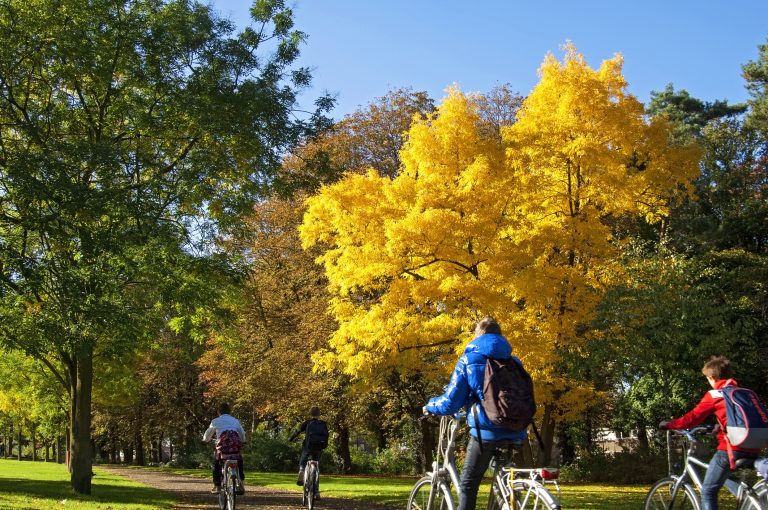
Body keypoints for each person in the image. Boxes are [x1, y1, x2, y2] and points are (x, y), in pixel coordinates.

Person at [423, 317, 528, 510]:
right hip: (517, 430)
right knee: (503, 482)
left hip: (486, 431)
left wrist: (430, 406)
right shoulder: (514, 361)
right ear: (501, 336)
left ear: (477, 336)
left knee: (468, 485)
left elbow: (451, 402)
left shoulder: (470, 360)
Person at [659, 356, 761, 510]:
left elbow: (692, 418)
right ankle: (749, 500)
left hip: (731, 450)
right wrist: (719, 427)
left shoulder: (715, 395)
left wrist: (669, 424)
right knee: (722, 476)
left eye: (707, 378)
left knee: (708, 491)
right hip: (755, 444)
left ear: (712, 377)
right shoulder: (745, 393)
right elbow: (739, 419)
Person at [202, 402, 246, 494]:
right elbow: (242, 434)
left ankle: (217, 486)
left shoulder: (215, 421)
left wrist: (206, 440)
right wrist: (242, 440)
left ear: (219, 412)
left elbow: (207, 436)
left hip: (223, 449)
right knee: (239, 460)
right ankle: (241, 483)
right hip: (235, 448)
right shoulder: (235, 421)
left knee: (216, 463)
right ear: (229, 412)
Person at [289, 406, 329, 495]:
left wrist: (290, 438)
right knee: (317, 468)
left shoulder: (307, 423)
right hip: (319, 448)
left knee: (303, 457)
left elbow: (297, 431)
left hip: (308, 447)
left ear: (310, 414)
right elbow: (326, 435)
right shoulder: (323, 424)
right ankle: (316, 492)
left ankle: (302, 470)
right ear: (319, 414)